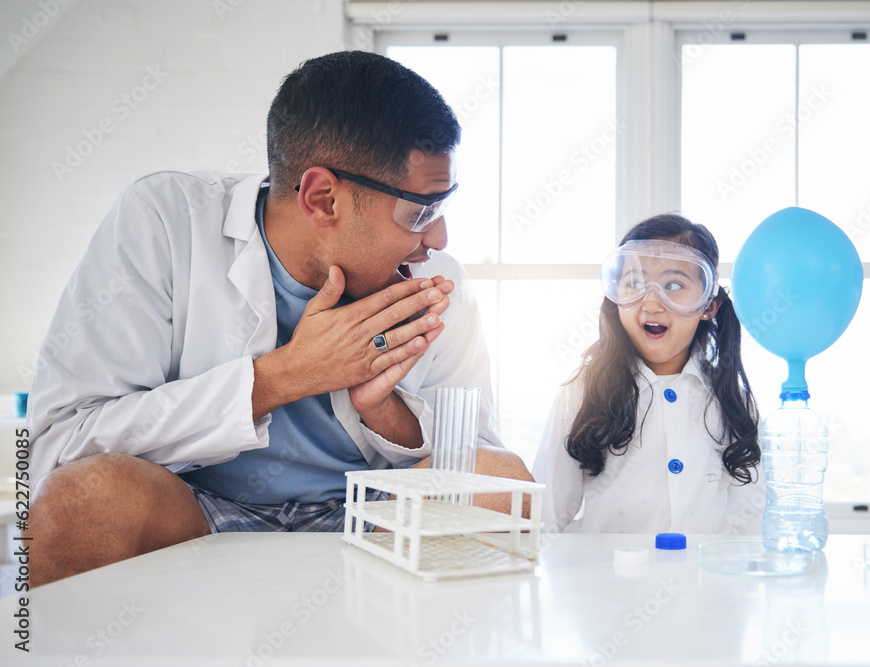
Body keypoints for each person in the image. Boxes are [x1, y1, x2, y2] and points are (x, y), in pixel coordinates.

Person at [26, 51, 530, 586]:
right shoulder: (164, 222)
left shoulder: (437, 285)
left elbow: (474, 453)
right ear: (322, 198)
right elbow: (56, 450)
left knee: (498, 485)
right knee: (80, 502)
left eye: (443, 206)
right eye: (420, 213)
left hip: (371, 520)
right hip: (199, 514)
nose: (439, 240)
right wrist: (286, 375)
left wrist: (386, 413)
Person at [532, 214, 763, 533]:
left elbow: (750, 523)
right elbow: (545, 517)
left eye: (674, 285)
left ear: (708, 305)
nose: (652, 302)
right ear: (616, 294)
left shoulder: (732, 402)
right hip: (606, 582)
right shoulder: (582, 393)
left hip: (705, 583)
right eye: (635, 283)